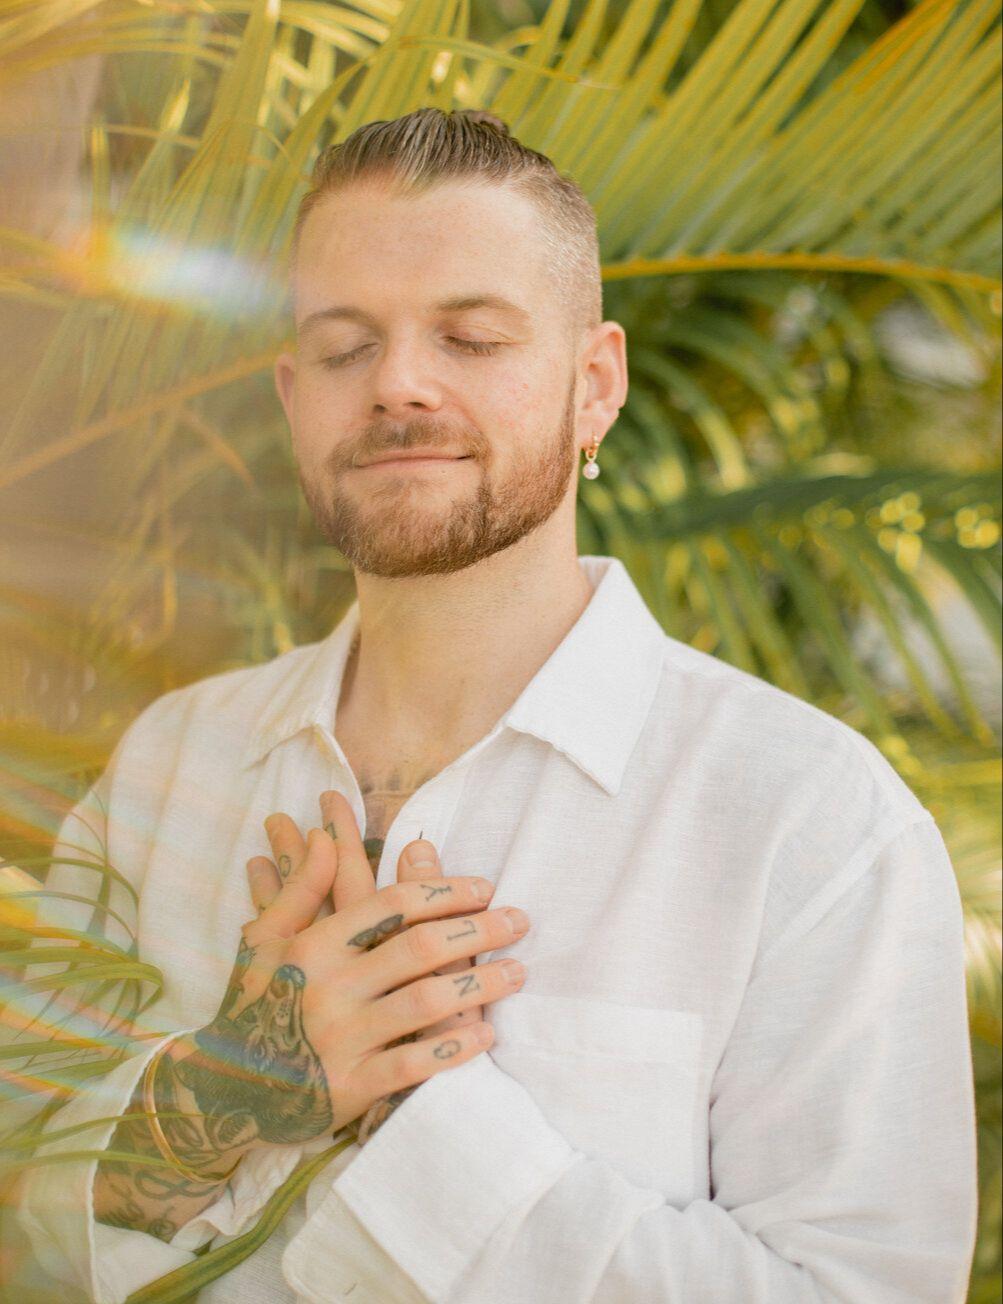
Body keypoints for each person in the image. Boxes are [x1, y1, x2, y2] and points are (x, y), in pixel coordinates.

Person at [12, 107, 977, 1303]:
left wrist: (419, 1125)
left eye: (470, 337)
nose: (398, 383)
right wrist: (216, 1097)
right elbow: (25, 1222)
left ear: (595, 386)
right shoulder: (169, 765)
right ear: (292, 396)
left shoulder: (809, 822)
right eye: (343, 346)